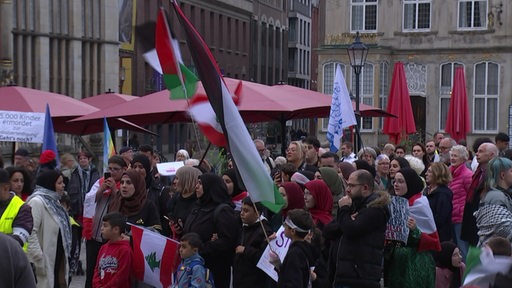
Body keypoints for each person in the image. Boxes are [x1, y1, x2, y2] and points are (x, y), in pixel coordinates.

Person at [333, 170, 390, 288]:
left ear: (365, 188)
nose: (347, 189)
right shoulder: (354, 205)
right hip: (345, 276)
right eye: (347, 184)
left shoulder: (375, 209)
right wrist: (346, 216)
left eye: (352, 185)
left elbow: (350, 230)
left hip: (360, 278)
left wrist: (344, 210)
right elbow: (330, 230)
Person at [385, 168, 441, 288]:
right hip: (395, 263)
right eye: (394, 181)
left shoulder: (419, 205)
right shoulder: (393, 203)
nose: (396, 184)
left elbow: (432, 240)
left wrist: (415, 230)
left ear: (409, 183)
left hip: (415, 263)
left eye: (401, 181)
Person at [182, 173, 240, 288]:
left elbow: (227, 241)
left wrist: (202, 248)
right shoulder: (197, 207)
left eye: (201, 184)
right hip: (193, 267)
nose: (196, 187)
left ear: (210, 187)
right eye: (197, 183)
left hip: (213, 271)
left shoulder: (223, 211)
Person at [82, 155, 127, 288]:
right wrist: (101, 190)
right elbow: (89, 200)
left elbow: (122, 203)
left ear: (124, 169)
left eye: (116, 169)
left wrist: (114, 190)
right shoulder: (100, 182)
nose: (112, 172)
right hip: (94, 236)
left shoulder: (125, 184)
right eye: (110, 168)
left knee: (107, 272)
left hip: (111, 237)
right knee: (91, 271)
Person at [27, 170, 71, 288]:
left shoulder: (55, 202)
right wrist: (38, 259)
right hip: (44, 262)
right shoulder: (36, 202)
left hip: (56, 259)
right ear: (50, 184)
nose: (63, 186)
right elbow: (31, 231)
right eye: (59, 183)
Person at [461, 142, 498, 247]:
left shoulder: (495, 174)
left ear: (491, 155)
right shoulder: (478, 171)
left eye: (481, 151)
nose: (477, 154)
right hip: (473, 218)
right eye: (477, 151)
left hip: (484, 221)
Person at [233, 197, 273, 288]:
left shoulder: (265, 231)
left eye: (246, 211)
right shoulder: (244, 225)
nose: (242, 213)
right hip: (240, 280)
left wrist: (245, 250)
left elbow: (264, 258)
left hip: (254, 281)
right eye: (241, 210)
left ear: (257, 213)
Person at [272, 209, 316, 288]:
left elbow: (293, 283)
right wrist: (279, 266)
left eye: (286, 224)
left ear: (292, 231)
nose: (284, 226)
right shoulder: (303, 249)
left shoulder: (295, 253)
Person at [474, 157, 512, 246]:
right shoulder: (496, 197)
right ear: (502, 175)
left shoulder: (497, 194)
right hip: (496, 252)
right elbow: (503, 228)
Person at [131, 153, 170, 235]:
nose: (137, 170)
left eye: (141, 167)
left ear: (147, 169)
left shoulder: (160, 190)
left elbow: (166, 218)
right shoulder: (129, 190)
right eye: (134, 167)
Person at [92, 212, 132, 288]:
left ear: (116, 229)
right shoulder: (103, 247)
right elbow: (97, 269)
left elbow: (122, 276)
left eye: (105, 226)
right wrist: (97, 285)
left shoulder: (125, 250)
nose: (101, 228)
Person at [448, 145, 472, 258]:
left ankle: (465, 274)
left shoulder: (467, 175)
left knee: (462, 249)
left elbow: (471, 197)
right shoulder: (448, 172)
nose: (452, 158)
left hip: (461, 218)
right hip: (450, 216)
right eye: (451, 155)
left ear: (463, 158)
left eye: (455, 156)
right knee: (454, 250)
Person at [0, 168, 33, 249]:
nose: (19, 184)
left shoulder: (22, 208)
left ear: (5, 187)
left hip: (13, 259)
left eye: (22, 181)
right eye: (15, 180)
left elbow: (19, 239)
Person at [167, 166, 202, 240]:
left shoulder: (198, 202)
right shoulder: (176, 198)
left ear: (186, 180)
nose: (174, 181)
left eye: (177, 178)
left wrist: (184, 229)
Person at [424, 162, 453, 242]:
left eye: (429, 171)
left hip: (439, 236)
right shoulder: (426, 190)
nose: (426, 174)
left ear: (437, 174)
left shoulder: (444, 194)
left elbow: (440, 218)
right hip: (426, 233)